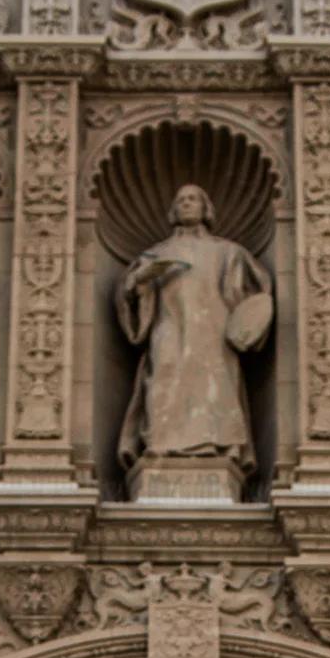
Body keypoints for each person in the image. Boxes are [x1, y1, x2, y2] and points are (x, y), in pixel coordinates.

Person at [115, 184, 272, 491]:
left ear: (205, 208)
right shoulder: (155, 255)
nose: (187, 204)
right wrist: (139, 281)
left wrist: (248, 321)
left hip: (213, 335)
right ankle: (159, 449)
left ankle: (217, 450)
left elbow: (258, 297)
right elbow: (127, 295)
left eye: (194, 199)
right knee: (162, 383)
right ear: (173, 210)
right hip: (168, 330)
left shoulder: (228, 252)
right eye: (181, 200)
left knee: (214, 390)